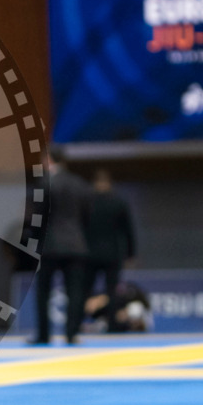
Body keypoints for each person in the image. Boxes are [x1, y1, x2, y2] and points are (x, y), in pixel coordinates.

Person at [32, 145, 91, 345]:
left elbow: (37, 218)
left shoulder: (44, 183)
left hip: (49, 245)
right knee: (75, 291)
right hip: (75, 244)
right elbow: (87, 216)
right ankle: (72, 334)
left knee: (43, 291)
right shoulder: (79, 184)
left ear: (49, 159)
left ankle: (43, 335)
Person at [83, 168, 136, 307]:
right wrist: (130, 254)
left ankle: (80, 321)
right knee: (112, 290)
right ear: (110, 183)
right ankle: (112, 324)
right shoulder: (118, 202)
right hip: (112, 253)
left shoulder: (87, 203)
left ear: (95, 183)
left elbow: (81, 228)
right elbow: (128, 231)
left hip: (90, 253)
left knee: (86, 289)